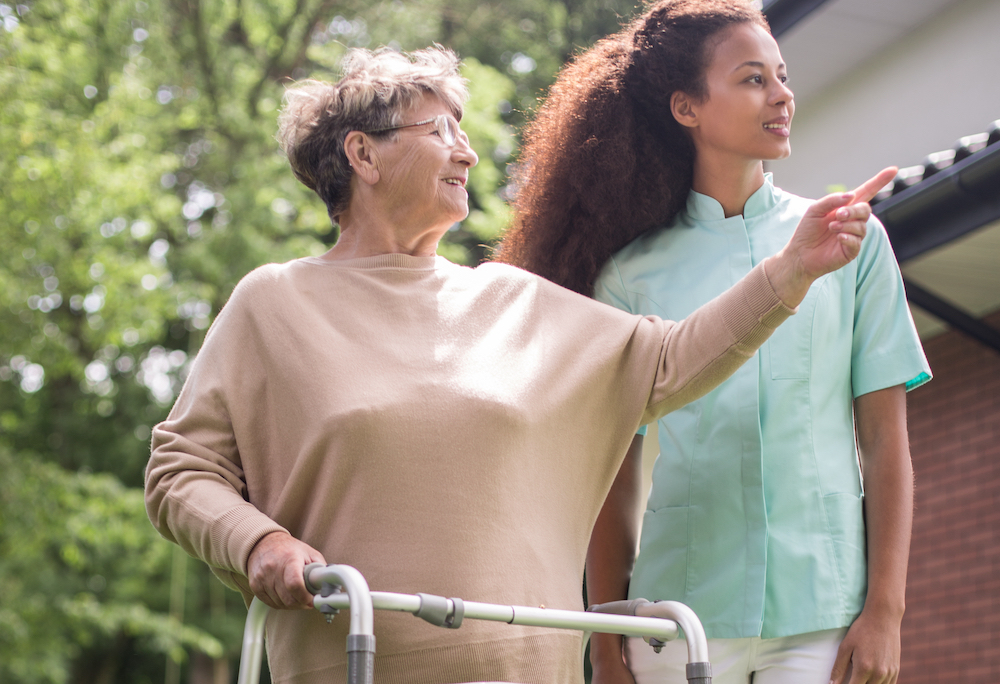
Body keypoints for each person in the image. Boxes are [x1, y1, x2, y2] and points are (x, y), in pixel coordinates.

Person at [145, 45, 885, 684]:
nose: (467, 151)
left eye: (463, 132)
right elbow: (181, 471)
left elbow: (668, 361)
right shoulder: (275, 303)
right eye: (440, 130)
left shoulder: (515, 304)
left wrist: (790, 272)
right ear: (361, 155)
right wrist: (261, 544)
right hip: (352, 661)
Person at [496, 2, 931, 684]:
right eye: (754, 79)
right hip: (679, 614)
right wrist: (608, 635)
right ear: (685, 108)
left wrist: (886, 611)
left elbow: (885, 445)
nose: (783, 94)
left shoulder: (852, 243)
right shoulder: (628, 275)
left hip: (823, 614)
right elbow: (614, 470)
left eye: (782, 77)